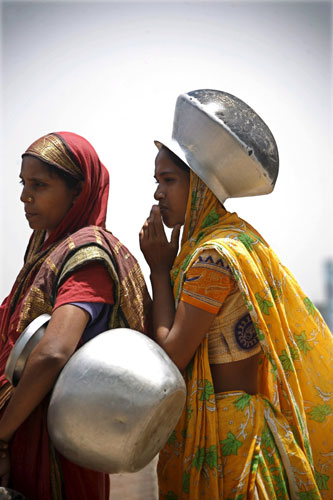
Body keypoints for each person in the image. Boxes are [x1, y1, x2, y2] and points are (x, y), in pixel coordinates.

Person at [140, 89, 333, 499]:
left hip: (231, 447)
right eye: (156, 181)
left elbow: (172, 357)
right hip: (252, 429)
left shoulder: (212, 255)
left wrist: (158, 268)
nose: (158, 194)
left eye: (169, 180)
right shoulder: (235, 240)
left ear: (200, 185)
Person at [0, 131, 151, 499]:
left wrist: (1, 436)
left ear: (77, 192)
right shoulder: (44, 249)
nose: (25, 196)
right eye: (23, 183)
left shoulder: (87, 257)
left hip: (50, 440)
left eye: (40, 184)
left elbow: (53, 353)